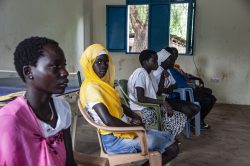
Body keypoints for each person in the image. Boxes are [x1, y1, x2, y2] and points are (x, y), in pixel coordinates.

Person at [79, 44, 179, 165]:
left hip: (121, 132)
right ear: (89, 64)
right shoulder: (91, 88)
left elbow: (119, 105)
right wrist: (134, 128)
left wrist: (134, 116)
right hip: (115, 139)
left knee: (171, 140)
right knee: (172, 147)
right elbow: (108, 120)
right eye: (99, 62)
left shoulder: (102, 84)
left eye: (106, 62)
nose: (104, 66)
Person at [0, 37, 76, 165]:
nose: (64, 72)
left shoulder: (62, 109)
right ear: (28, 72)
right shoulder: (10, 120)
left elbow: (70, 162)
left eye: (64, 65)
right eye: (55, 66)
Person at [127, 49, 187, 137]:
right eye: (154, 60)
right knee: (171, 116)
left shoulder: (150, 74)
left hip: (148, 106)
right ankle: (164, 137)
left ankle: (167, 137)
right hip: (140, 108)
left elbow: (158, 92)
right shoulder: (141, 73)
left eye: (157, 59)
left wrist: (162, 77)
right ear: (145, 62)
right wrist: (162, 102)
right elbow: (140, 98)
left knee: (179, 116)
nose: (157, 63)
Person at [169, 47, 217, 129]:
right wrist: (194, 87)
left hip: (186, 89)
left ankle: (197, 118)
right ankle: (196, 121)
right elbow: (182, 84)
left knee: (208, 92)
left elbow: (185, 75)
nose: (175, 56)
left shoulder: (175, 67)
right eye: (173, 54)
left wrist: (196, 79)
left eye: (176, 54)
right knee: (210, 98)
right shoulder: (169, 69)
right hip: (180, 93)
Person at [153, 48, 200, 120]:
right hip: (160, 100)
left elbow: (174, 84)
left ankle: (177, 123)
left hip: (167, 98)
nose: (173, 61)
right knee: (190, 110)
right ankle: (174, 123)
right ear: (163, 60)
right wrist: (168, 89)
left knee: (196, 108)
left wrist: (168, 89)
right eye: (170, 59)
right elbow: (158, 91)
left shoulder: (167, 71)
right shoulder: (156, 72)